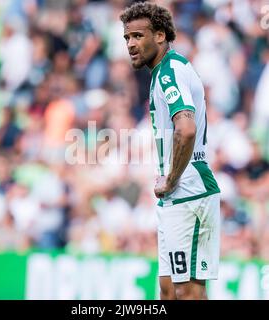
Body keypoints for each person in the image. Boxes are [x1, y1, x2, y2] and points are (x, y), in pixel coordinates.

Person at [120, 2, 221, 300]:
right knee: (167, 289)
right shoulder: (164, 71)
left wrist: (171, 178)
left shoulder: (169, 73)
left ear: (160, 35)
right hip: (177, 196)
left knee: (187, 292)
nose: (131, 44)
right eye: (127, 38)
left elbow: (186, 129)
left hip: (189, 192)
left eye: (138, 36)